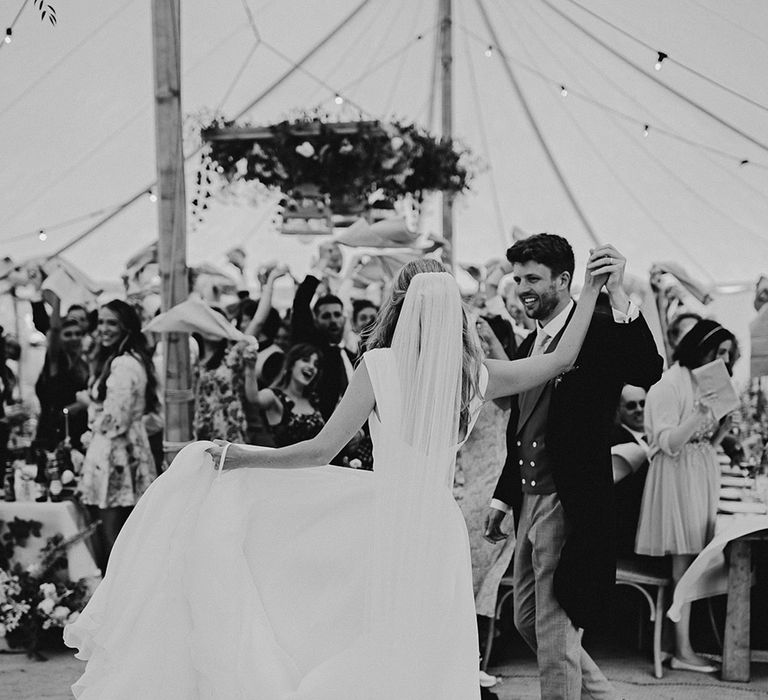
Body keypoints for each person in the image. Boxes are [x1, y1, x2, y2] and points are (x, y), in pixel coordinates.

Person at [64, 253, 612, 699]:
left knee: (360, 627)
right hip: (438, 525)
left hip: (385, 515)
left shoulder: (379, 366)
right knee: (428, 640)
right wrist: (589, 290)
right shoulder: (476, 377)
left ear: (400, 305)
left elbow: (320, 450)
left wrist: (244, 457)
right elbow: (563, 358)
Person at [483, 234, 663, 700]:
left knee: (554, 623)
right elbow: (522, 427)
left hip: (569, 499)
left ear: (564, 280)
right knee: (527, 617)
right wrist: (504, 497)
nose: (524, 287)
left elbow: (647, 369)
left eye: (534, 279)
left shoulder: (598, 328)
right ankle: (602, 693)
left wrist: (619, 294)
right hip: (528, 500)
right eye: (519, 277)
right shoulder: (529, 343)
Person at [635, 318, 736, 673]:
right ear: (701, 348)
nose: (723, 360)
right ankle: (682, 650)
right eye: (718, 352)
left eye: (728, 354)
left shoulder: (702, 382)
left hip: (700, 472)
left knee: (695, 559)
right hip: (676, 477)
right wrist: (701, 413)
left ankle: (682, 644)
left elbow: (701, 441)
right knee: (685, 565)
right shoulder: (670, 384)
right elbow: (667, 444)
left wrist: (721, 430)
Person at [75, 299, 159, 573]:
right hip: (127, 451)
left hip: (117, 455)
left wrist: (89, 405)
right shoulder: (128, 359)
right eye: (101, 322)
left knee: (115, 539)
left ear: (127, 326)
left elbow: (115, 421)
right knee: (125, 536)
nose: (104, 329)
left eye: (112, 322)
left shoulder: (123, 364)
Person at [245, 343, 325, 447]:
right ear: (291, 365)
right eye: (305, 360)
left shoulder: (314, 400)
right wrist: (250, 368)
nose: (311, 367)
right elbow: (254, 398)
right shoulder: (275, 396)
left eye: (316, 364)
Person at [611, 385, 651, 559]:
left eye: (643, 403)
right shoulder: (615, 439)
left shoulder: (652, 436)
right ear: (618, 410)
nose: (639, 410)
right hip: (630, 536)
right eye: (631, 405)